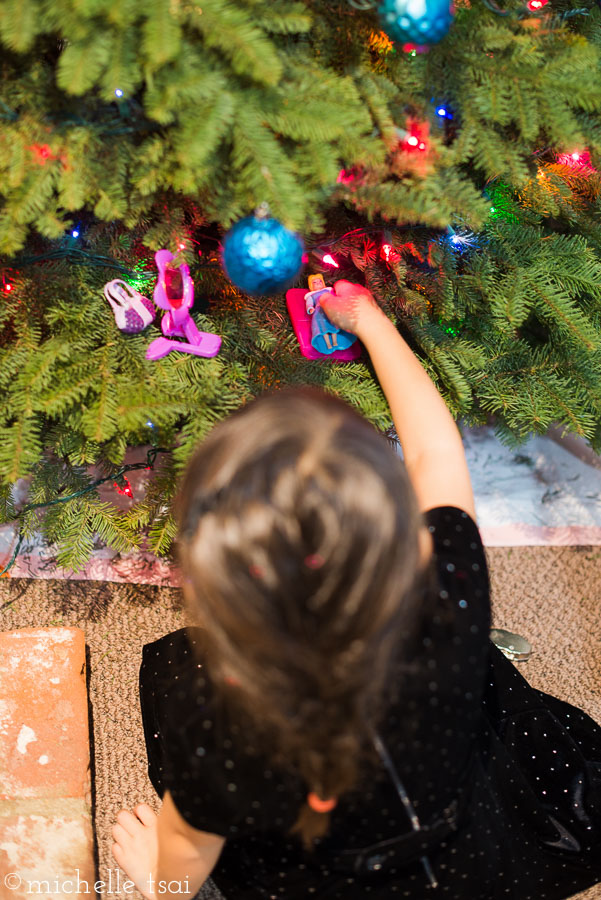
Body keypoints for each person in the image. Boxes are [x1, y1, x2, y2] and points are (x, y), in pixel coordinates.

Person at [111, 280, 601, 900]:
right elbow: (431, 451)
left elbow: (185, 851)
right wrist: (371, 322)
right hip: (473, 859)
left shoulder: (219, 732)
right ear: (405, 542)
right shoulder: (450, 597)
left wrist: (161, 879)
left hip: (328, 885)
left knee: (176, 673)